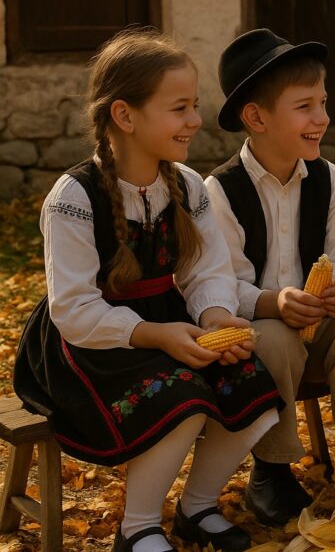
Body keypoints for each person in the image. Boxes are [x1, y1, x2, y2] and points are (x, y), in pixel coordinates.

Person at [13, 30, 282, 552]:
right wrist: (155, 335)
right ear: (125, 115)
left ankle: (196, 507)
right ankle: (136, 529)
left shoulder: (186, 185)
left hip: (169, 321)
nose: (196, 120)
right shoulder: (74, 196)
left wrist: (214, 316)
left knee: (252, 384)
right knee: (182, 394)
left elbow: (206, 270)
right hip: (90, 344)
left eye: (195, 105)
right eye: (180, 108)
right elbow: (73, 309)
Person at [206, 28, 335, 522]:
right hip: (259, 326)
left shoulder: (328, 179)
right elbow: (221, 284)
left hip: (321, 321)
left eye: (323, 103)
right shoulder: (220, 192)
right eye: (305, 106)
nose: (322, 118)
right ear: (257, 118)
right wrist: (274, 303)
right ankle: (272, 469)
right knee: (274, 341)